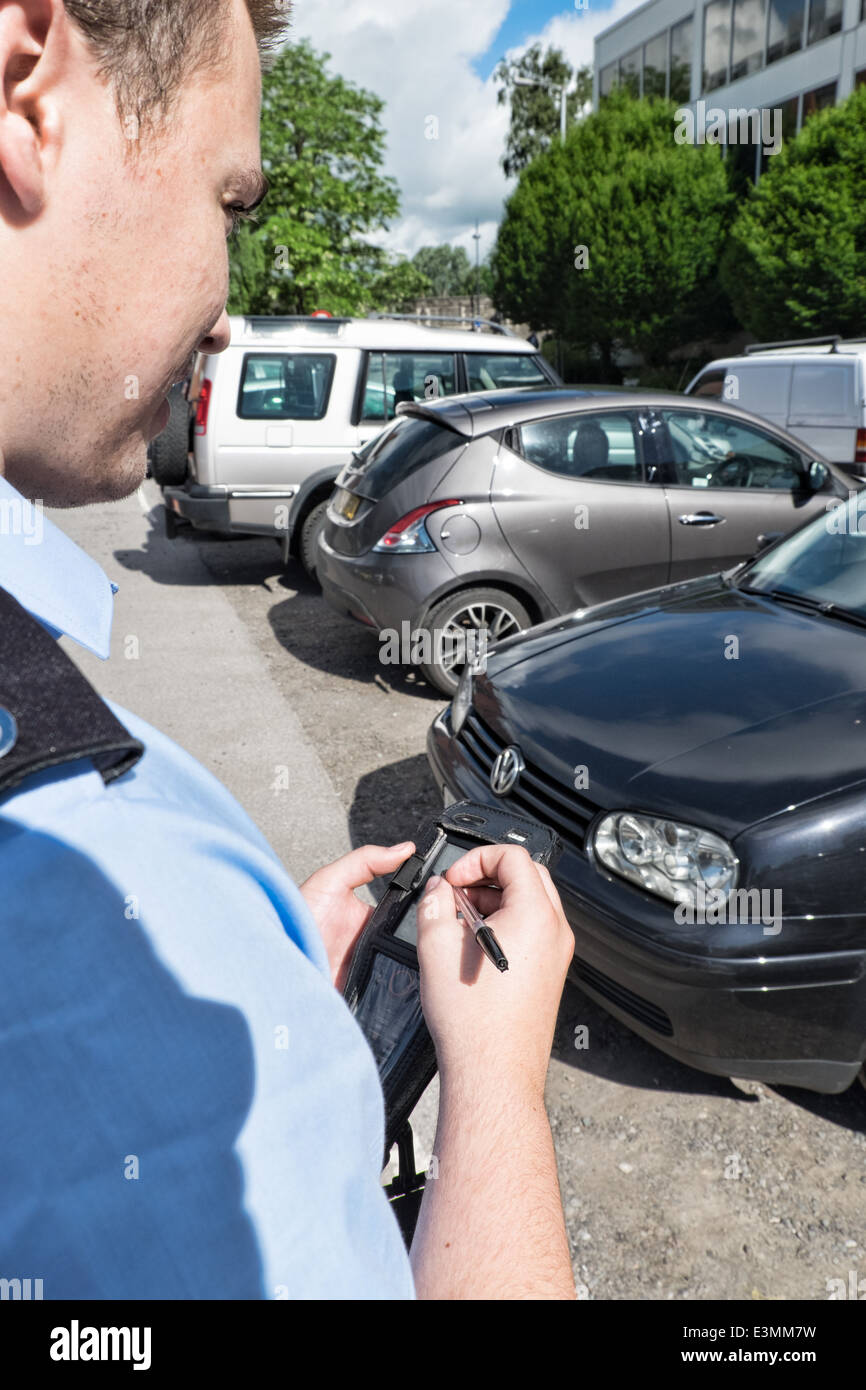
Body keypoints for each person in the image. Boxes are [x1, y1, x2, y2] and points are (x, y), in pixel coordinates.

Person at [0, 0, 576, 1300]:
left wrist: (257, 971)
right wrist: (495, 1090)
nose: (222, 318)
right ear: (26, 88)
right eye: (230, 199)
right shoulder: (81, 886)